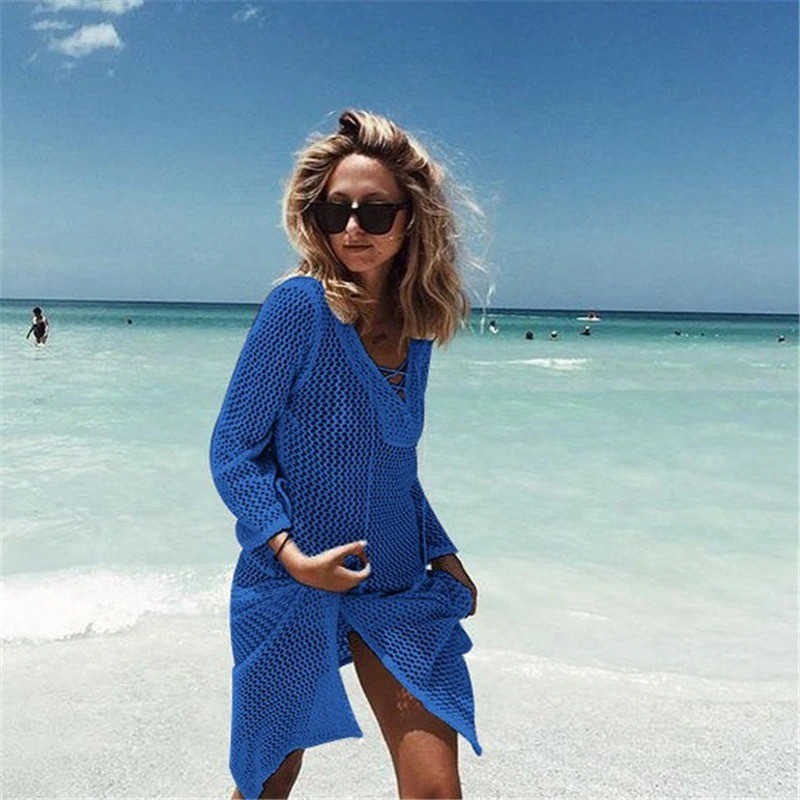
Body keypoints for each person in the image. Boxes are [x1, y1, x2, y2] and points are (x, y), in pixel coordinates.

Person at [209, 109, 482, 800]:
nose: (354, 228)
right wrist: (292, 556)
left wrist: (443, 550)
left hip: (397, 584)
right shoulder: (299, 308)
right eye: (336, 211)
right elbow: (234, 450)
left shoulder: (416, 326)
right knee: (270, 779)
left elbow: (395, 469)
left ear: (412, 219)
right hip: (290, 583)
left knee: (435, 788)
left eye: (375, 211)